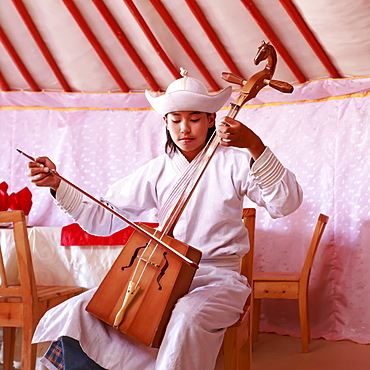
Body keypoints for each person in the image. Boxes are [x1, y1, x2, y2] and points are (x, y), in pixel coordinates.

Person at [28, 70, 303, 370]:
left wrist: (255, 146)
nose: (185, 128)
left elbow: (285, 204)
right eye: (176, 119)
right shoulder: (157, 170)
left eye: (195, 118)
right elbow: (102, 219)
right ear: (166, 123)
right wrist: (57, 184)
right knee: (85, 308)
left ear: (211, 119)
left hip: (218, 280)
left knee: (186, 315)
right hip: (163, 278)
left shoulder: (235, 162)